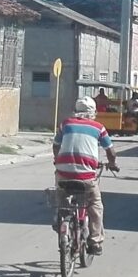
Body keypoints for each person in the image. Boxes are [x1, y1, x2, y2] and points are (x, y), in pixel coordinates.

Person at [52, 96, 119, 255]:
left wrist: (58, 160)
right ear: (93, 112)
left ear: (76, 111)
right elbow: (111, 151)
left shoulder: (65, 124)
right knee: (95, 204)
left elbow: (56, 146)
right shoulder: (99, 128)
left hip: (63, 173)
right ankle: (95, 241)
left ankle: (59, 218)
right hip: (86, 177)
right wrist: (112, 163)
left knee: (61, 196)